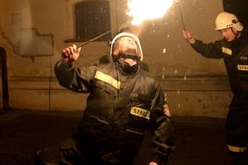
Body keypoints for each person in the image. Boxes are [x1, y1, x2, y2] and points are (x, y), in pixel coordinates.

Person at [37, 31, 175, 165]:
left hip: (118, 159)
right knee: (46, 159)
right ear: (115, 51)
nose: (130, 39)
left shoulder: (150, 84)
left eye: (133, 40)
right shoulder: (100, 71)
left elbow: (162, 123)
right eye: (124, 39)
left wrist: (158, 159)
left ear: (139, 53)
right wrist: (66, 63)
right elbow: (69, 79)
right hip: (81, 151)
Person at [182, 11, 248, 165]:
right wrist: (192, 40)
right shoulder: (225, 46)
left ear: (235, 27)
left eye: (225, 30)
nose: (223, 34)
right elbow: (208, 49)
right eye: (221, 31)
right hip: (239, 99)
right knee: (233, 130)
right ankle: (239, 160)